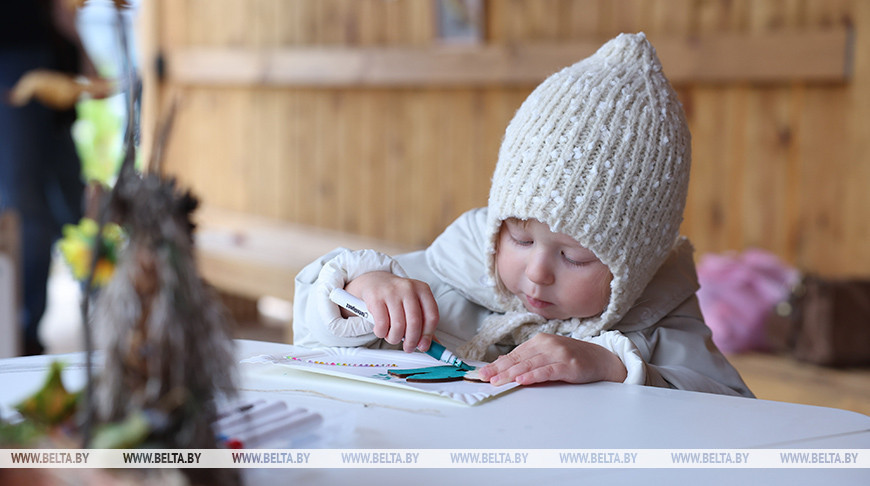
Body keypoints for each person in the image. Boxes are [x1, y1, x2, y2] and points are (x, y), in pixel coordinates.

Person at [293, 33, 753, 397]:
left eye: (574, 257)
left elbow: (733, 413)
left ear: (634, 270)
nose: (538, 272)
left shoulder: (659, 323)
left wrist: (618, 368)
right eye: (520, 238)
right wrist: (358, 290)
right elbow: (310, 347)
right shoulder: (449, 275)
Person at [0, 0, 89, 355]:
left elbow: (62, 11)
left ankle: (115, 316)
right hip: (13, 64)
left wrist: (79, 47)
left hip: (53, 60)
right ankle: (24, 335)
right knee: (29, 212)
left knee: (75, 205)